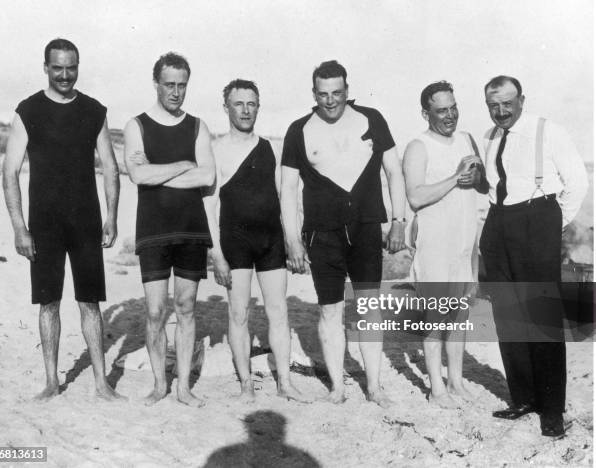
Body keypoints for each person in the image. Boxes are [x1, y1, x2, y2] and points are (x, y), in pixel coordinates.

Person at [2, 38, 123, 401]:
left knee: (90, 302)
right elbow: (9, 173)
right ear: (46, 68)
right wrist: (20, 228)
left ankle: (102, 382)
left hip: (86, 221)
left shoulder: (94, 111)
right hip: (44, 224)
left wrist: (112, 217)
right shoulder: (29, 111)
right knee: (48, 302)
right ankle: (52, 381)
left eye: (71, 67)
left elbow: (111, 169)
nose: (65, 74)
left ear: (78, 66)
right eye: (58, 67)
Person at [280, 60, 406, 407]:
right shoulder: (299, 130)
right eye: (323, 95)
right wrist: (291, 239)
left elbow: (394, 172)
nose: (330, 101)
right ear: (314, 94)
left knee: (369, 307)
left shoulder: (372, 119)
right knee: (330, 310)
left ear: (347, 91)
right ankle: (337, 388)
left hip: (366, 229)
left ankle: (375, 386)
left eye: (337, 93)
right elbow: (288, 189)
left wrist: (399, 220)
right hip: (323, 234)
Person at [479, 76, 588, 437]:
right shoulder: (490, 137)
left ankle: (552, 411)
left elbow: (577, 183)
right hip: (499, 222)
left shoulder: (548, 131)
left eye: (507, 103)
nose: (501, 111)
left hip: (538, 218)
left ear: (522, 100)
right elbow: (493, 186)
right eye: (493, 105)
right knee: (507, 313)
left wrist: (552, 224)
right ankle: (524, 397)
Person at [204, 79, 309, 403]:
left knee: (279, 311)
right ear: (226, 108)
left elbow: (289, 196)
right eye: (239, 104)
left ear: (258, 107)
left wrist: (294, 239)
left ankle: (285, 383)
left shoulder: (271, 149)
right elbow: (208, 206)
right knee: (238, 314)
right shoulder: (216, 151)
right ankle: (246, 384)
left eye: (251, 104)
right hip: (234, 241)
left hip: (270, 240)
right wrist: (216, 254)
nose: (245, 110)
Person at [123, 52, 215, 406]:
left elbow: (207, 176)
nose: (176, 92)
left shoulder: (198, 126)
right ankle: (160, 383)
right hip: (153, 230)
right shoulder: (137, 126)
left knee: (187, 306)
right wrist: (182, 164)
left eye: (182, 85)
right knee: (155, 311)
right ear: (156, 84)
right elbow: (138, 175)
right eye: (169, 84)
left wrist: (158, 174)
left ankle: (184, 388)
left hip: (191, 228)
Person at [403, 81, 486, 408]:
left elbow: (479, 184)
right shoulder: (417, 146)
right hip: (435, 245)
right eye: (441, 110)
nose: (450, 115)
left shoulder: (466, 139)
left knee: (459, 315)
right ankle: (436, 388)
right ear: (426, 113)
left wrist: (473, 177)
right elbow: (415, 196)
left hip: (464, 243)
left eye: (453, 107)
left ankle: (455, 380)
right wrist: (455, 178)